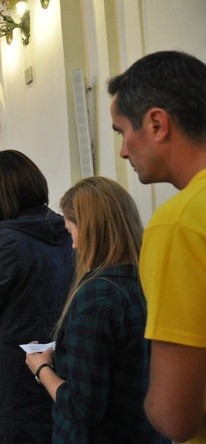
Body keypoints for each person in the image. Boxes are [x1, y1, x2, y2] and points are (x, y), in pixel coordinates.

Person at [24, 176, 169, 444]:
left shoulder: (97, 297)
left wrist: (41, 368)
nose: (74, 245)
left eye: (71, 232)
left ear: (91, 230)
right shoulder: (148, 279)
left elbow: (83, 407)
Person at [108, 50, 206, 443]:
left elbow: (174, 416)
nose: (123, 150)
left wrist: (150, 405)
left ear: (156, 123)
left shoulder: (179, 222)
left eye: (121, 132)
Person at [0, 150, 73, 443]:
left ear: (2, 192)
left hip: (10, 366)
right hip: (51, 356)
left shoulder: (9, 239)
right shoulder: (62, 227)